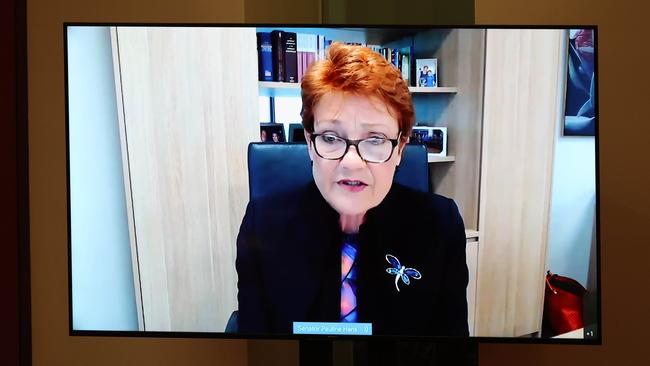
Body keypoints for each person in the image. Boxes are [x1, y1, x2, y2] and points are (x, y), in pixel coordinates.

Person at [236, 43, 468, 336]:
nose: (352, 162)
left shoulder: (440, 224)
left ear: (400, 149)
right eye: (331, 137)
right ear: (309, 142)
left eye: (375, 139)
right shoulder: (264, 224)